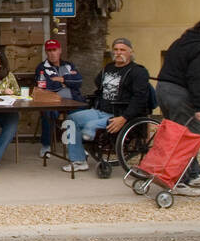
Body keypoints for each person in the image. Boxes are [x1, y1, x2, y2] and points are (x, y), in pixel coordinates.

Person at [156, 16, 200, 192]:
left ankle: (193, 173)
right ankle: (179, 181)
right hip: (181, 94)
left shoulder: (181, 42)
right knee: (187, 138)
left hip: (164, 90)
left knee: (176, 133)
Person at [63, 37, 152, 175]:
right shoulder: (108, 68)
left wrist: (124, 118)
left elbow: (139, 99)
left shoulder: (138, 72)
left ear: (130, 52)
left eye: (122, 50)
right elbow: (98, 83)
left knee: (89, 127)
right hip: (100, 110)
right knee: (70, 119)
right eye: (115, 49)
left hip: (119, 114)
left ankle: (87, 138)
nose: (118, 52)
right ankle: (79, 161)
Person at [35, 39, 83, 157]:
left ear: (60, 50)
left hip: (72, 101)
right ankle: (46, 145)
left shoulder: (68, 65)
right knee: (47, 113)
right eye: (49, 51)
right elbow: (47, 86)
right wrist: (66, 82)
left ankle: (75, 147)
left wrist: (61, 79)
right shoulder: (42, 67)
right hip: (52, 102)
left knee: (78, 115)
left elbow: (78, 81)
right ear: (46, 52)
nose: (52, 53)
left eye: (54, 50)